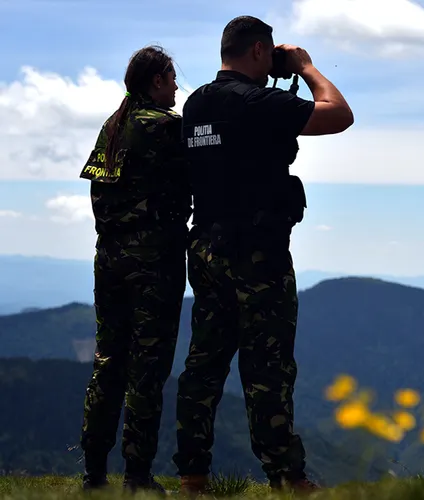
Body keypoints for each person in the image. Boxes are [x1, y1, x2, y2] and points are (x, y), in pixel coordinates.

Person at [172, 15, 353, 495]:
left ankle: (192, 473)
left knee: (204, 362)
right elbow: (338, 114)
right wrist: (307, 67)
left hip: (206, 248)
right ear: (258, 51)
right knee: (267, 367)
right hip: (258, 254)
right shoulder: (257, 102)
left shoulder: (196, 104)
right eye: (268, 53)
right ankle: (286, 477)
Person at [78, 45, 192, 493]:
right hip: (154, 265)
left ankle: (93, 473)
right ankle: (138, 476)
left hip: (108, 261)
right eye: (171, 77)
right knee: (147, 368)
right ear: (156, 82)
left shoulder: (112, 126)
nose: (177, 86)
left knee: (108, 363)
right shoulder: (166, 128)